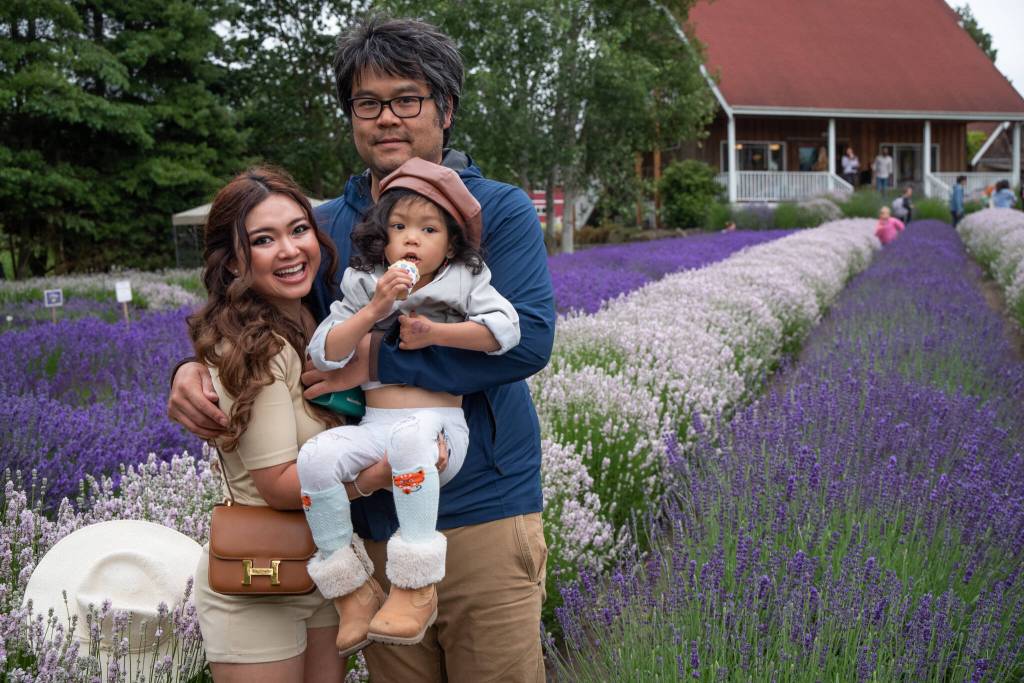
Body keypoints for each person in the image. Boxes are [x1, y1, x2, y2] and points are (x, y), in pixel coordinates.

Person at [168, 16, 555, 682]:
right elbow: (255, 311)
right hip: (371, 519)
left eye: (407, 99)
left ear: (446, 108)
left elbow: (528, 341)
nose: (386, 118)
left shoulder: (497, 211)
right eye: (367, 103)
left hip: (482, 514)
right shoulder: (324, 227)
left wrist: (380, 360)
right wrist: (188, 366)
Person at [186, 166, 403, 680]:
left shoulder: (316, 322)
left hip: (329, 567)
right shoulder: (252, 344)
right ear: (234, 259)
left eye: (298, 229)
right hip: (260, 579)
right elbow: (279, 485)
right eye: (264, 239)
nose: (289, 250)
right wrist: (380, 473)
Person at [298, 157, 520, 652]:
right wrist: (375, 309)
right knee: (314, 459)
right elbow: (325, 351)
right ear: (384, 236)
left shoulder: (464, 280)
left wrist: (435, 333)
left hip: (436, 428)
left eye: (429, 228)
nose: (412, 239)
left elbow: (506, 333)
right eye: (399, 227)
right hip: (377, 423)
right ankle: (351, 590)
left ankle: (415, 587)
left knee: (410, 439)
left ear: (452, 241)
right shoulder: (364, 282)